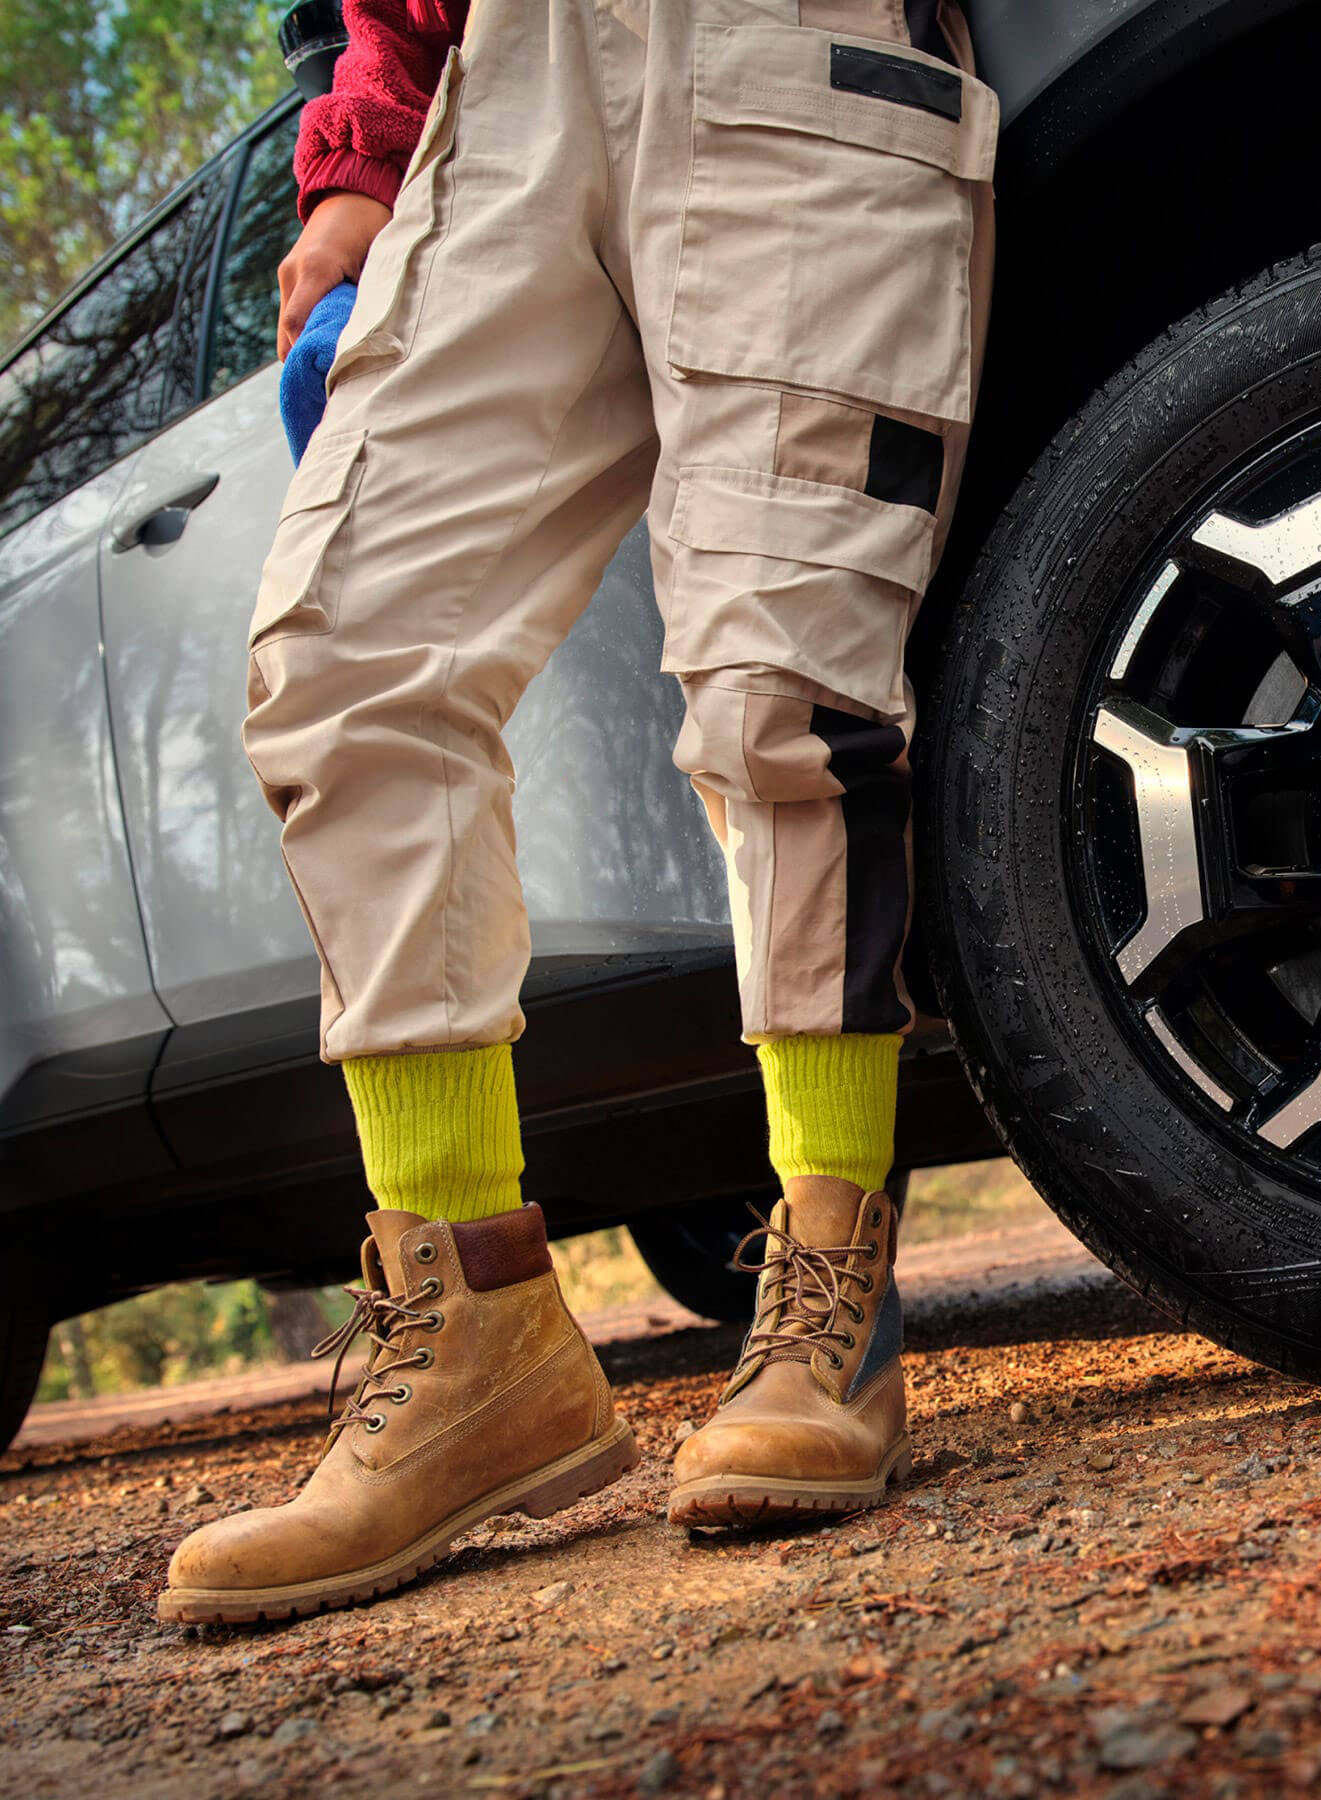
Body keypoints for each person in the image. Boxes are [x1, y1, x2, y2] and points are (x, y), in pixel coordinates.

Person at [157, 0, 995, 1625]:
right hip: (504, 71)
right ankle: (474, 1330)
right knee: (345, 664)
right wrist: (367, 142)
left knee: (783, 679)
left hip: (796, 44)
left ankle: (830, 1281)